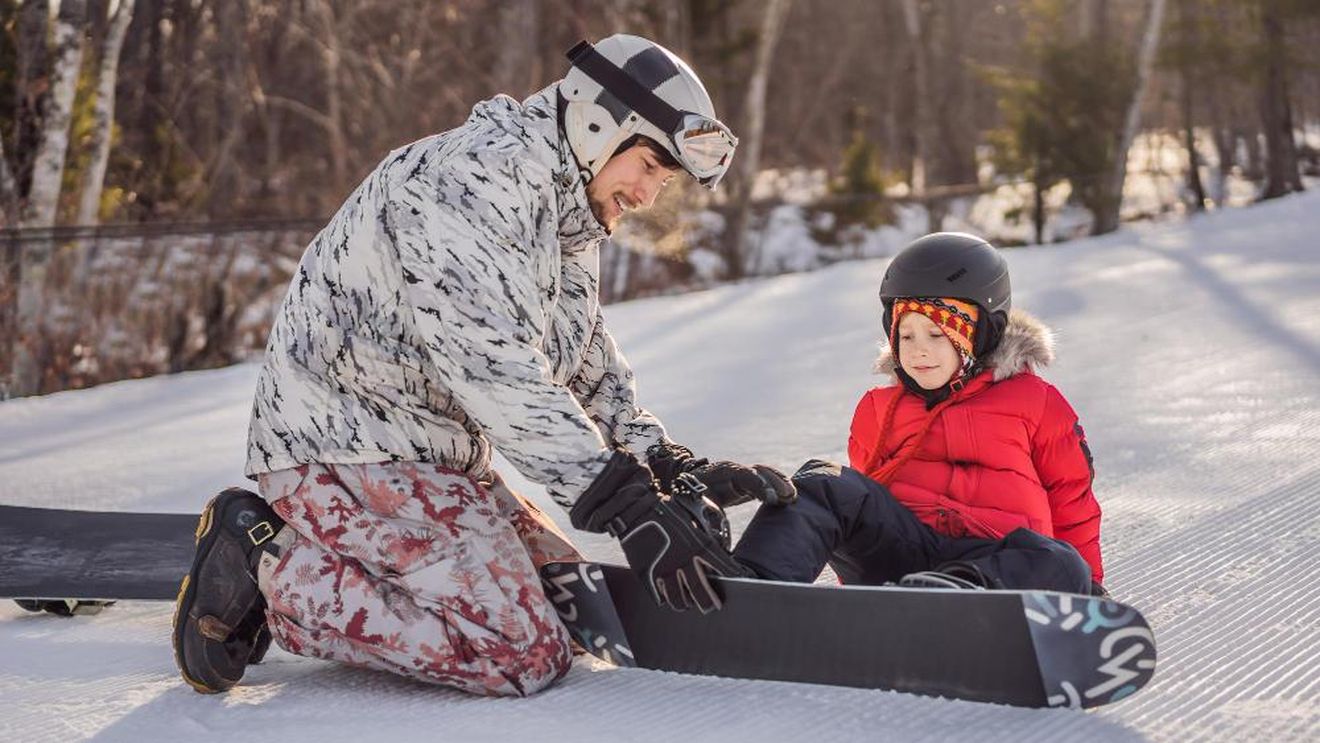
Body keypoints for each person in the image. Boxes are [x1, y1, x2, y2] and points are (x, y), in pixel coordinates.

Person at [172, 34, 793, 698]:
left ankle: (346, 558)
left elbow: (581, 360)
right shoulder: (472, 182)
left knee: (570, 603)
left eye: (661, 180)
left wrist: (665, 463)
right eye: (646, 166)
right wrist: (625, 504)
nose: (645, 195)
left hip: (427, 451)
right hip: (343, 446)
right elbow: (494, 367)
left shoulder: (567, 210)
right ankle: (267, 561)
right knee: (518, 649)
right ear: (597, 124)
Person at [733, 232, 1102, 593]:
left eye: (937, 335)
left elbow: (1072, 500)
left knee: (1064, 563)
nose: (918, 351)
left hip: (995, 570)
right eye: (906, 337)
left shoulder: (1035, 402)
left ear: (982, 332)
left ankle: (954, 598)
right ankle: (751, 588)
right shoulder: (878, 409)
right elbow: (858, 511)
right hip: (903, 557)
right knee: (825, 483)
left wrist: (1092, 587)